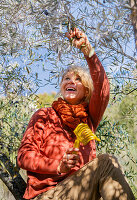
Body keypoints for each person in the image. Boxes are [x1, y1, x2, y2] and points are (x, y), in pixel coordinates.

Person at [17, 28, 135, 200]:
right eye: (67, 78)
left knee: (107, 164)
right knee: (106, 163)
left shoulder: (89, 118)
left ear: (86, 90)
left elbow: (102, 89)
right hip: (47, 195)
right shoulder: (44, 115)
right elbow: (24, 156)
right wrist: (57, 165)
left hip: (81, 191)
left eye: (78, 79)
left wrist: (88, 50)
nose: (71, 81)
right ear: (62, 86)